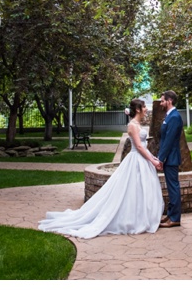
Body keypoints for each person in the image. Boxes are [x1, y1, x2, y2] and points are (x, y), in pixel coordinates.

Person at [38, 99, 163, 239]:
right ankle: (131, 220)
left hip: (142, 160)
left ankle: (140, 216)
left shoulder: (138, 124)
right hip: (136, 160)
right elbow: (139, 147)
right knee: (131, 190)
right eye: (145, 106)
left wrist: (153, 158)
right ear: (139, 109)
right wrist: (152, 160)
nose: (146, 109)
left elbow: (144, 145)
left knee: (140, 190)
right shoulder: (132, 125)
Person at [155, 90, 183, 228]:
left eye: (162, 101)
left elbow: (169, 140)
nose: (161, 103)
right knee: (172, 187)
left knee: (173, 188)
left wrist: (161, 158)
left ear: (169, 101)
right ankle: (170, 216)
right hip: (169, 158)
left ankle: (175, 218)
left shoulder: (174, 117)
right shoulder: (169, 116)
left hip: (171, 158)